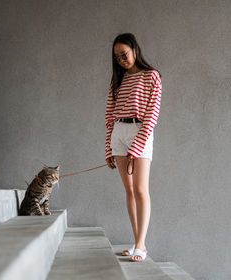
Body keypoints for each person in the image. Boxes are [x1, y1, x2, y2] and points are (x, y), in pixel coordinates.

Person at [105, 33, 162, 261]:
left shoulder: (152, 76)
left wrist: (136, 146)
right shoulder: (117, 81)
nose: (121, 60)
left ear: (134, 49)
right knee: (128, 190)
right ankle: (137, 241)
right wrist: (109, 147)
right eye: (117, 57)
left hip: (141, 131)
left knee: (140, 190)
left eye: (124, 54)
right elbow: (109, 115)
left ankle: (141, 244)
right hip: (119, 132)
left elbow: (152, 115)